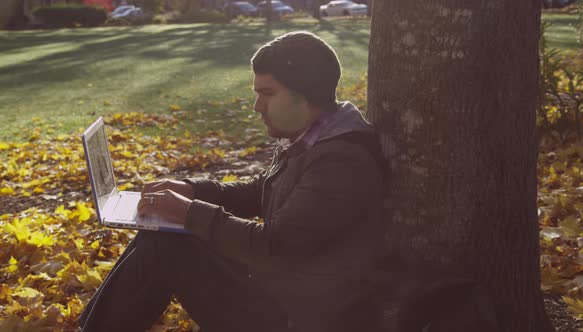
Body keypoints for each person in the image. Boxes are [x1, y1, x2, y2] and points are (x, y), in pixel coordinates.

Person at [78, 31, 385, 332]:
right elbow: (258, 191)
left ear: (304, 95)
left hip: (298, 317)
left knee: (165, 246)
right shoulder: (311, 136)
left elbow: (275, 245)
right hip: (279, 289)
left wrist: (188, 213)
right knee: (160, 233)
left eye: (267, 94)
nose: (257, 106)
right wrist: (193, 189)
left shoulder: (342, 161)